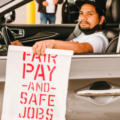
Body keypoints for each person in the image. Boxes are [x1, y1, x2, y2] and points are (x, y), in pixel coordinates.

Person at [11, 0, 109, 56]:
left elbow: (83, 48)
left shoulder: (98, 39)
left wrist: (52, 43)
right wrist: (24, 51)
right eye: (81, 13)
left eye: (90, 14)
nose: (83, 17)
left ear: (101, 19)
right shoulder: (84, 35)